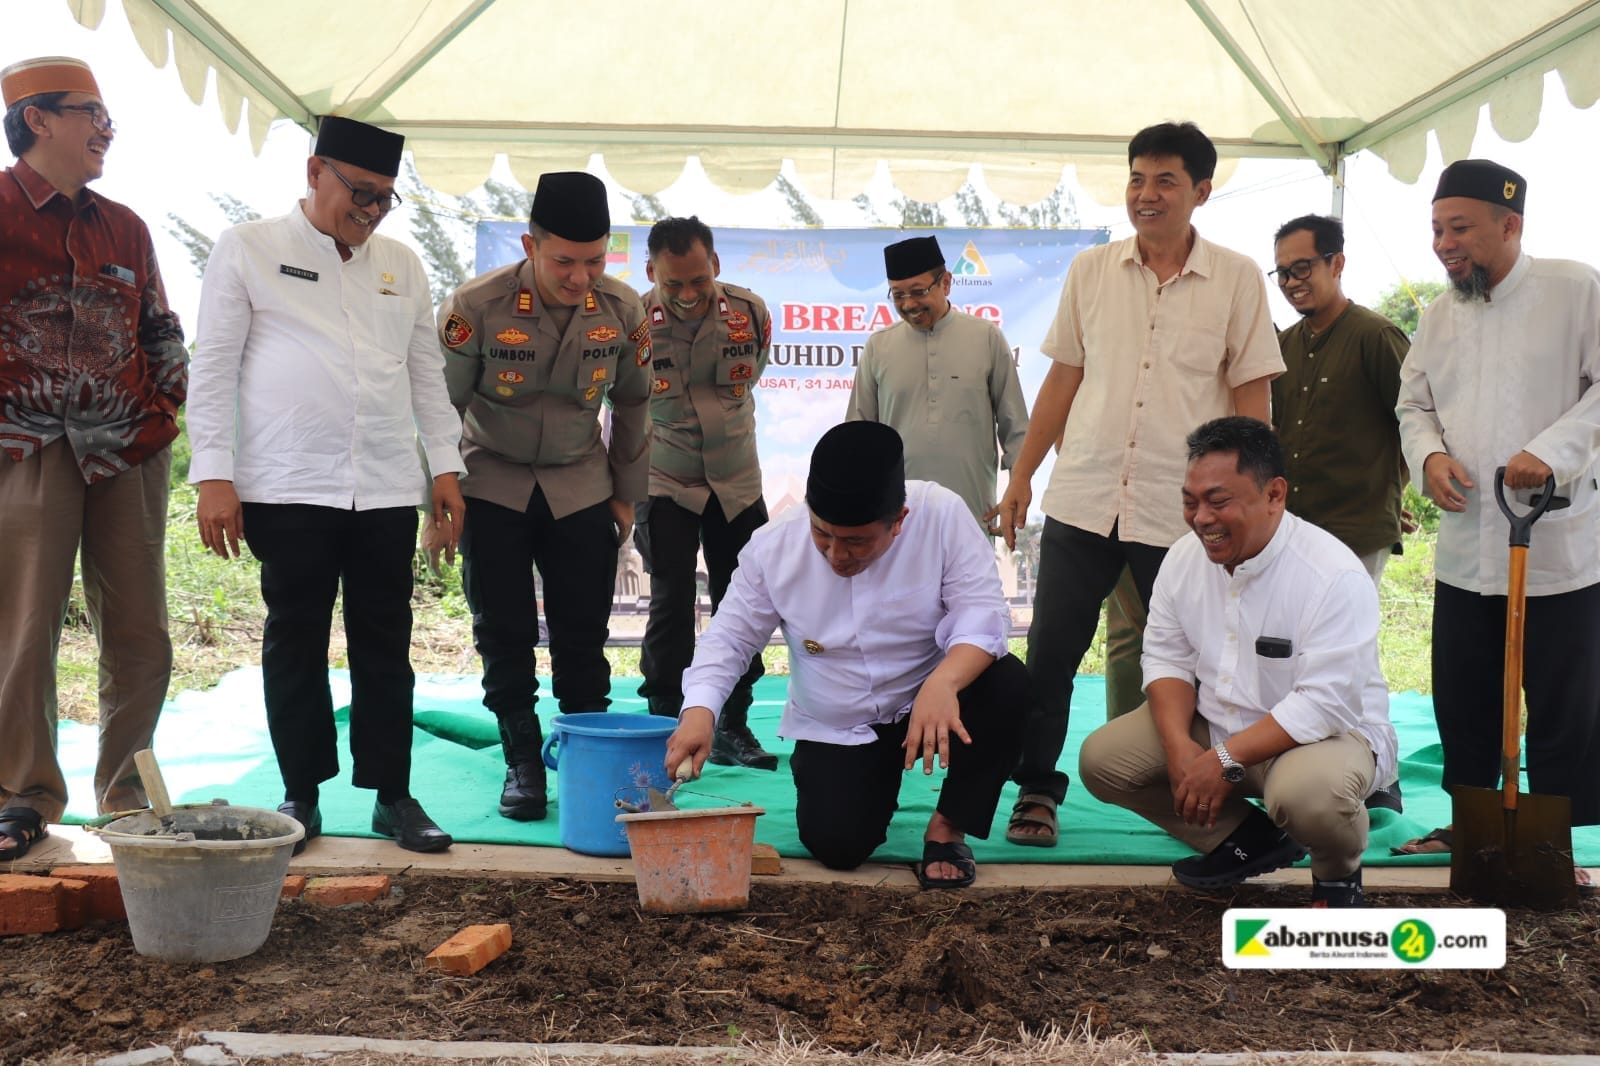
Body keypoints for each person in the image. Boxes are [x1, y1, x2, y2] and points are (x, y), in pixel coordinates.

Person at [989, 121, 1283, 848]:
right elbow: (1063, 378)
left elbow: (1252, 394)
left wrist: (1256, 498)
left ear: (1201, 192)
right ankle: (1035, 791)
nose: (1146, 195)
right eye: (1136, 180)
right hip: (1084, 497)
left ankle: (1224, 788)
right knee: (1051, 651)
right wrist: (1022, 474)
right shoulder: (1092, 271)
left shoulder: (1238, 277)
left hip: (1184, 513)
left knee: (1207, 658)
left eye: (1165, 181)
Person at [188, 116, 463, 854]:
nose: (371, 212)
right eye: (360, 193)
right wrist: (213, 474)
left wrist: (444, 465)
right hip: (287, 481)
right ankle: (300, 794)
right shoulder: (248, 248)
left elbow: (425, 375)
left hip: (380, 485)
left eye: (385, 199)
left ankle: (393, 796)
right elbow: (212, 367)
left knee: (387, 640)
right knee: (296, 638)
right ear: (315, 174)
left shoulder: (401, 264)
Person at [664, 421, 1028, 889]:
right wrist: (700, 711)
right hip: (840, 720)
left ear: (899, 520)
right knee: (838, 845)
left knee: (1007, 684)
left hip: (933, 700)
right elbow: (730, 638)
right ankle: (866, 783)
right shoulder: (774, 547)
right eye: (823, 534)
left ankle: (947, 826)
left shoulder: (941, 516)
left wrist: (944, 683)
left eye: (856, 542)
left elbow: (984, 616)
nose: (836, 556)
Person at [1079, 417, 1397, 908]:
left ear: (1275, 495)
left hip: (1320, 740)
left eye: (1219, 501)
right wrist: (1179, 747)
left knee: (1309, 797)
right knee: (1103, 762)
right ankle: (1246, 839)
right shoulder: (1184, 559)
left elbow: (1324, 705)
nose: (1201, 518)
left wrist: (1223, 760)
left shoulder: (1332, 575)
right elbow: (1166, 657)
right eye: (1190, 501)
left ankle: (1337, 875)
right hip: (1217, 726)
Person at [1394, 159, 1600, 894]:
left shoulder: (1574, 289)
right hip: (1465, 547)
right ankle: (1471, 828)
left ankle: (1559, 846)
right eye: (1437, 231)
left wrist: (1552, 453)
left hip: (1557, 547)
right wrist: (1430, 456)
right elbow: (1412, 403)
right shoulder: (1443, 312)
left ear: (1511, 225)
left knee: (1562, 702)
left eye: (1461, 230)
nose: (1445, 245)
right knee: (1465, 698)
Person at [0, 57, 187, 859]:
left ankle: (127, 793)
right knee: (24, 629)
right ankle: (22, 795)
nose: (107, 129)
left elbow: (162, 330)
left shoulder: (127, 226)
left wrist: (162, 414)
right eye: (91, 113)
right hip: (27, 448)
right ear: (38, 120)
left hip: (127, 450)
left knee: (142, 631)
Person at [437, 171, 652, 821]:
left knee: (582, 636)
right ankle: (523, 761)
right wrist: (439, 495)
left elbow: (635, 404)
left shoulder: (623, 309)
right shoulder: (477, 305)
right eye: (565, 261)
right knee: (501, 632)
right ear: (531, 246)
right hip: (491, 482)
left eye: (595, 260)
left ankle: (586, 761)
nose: (581, 276)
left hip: (580, 484)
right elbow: (441, 405)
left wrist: (624, 496)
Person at [1270, 212, 1411, 815]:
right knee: (1296, 654)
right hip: (1291, 532)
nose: (1292, 282)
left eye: (1303, 268)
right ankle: (1307, 768)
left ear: (1337, 263)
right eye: (1282, 273)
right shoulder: (1281, 345)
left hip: (1354, 527)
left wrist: (1395, 490)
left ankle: (1379, 771)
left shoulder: (1376, 336)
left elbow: (1419, 424)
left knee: (1355, 658)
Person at [634, 216, 777, 769]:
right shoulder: (633, 321)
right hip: (663, 477)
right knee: (670, 600)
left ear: (715, 265)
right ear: (652, 273)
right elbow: (623, 403)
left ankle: (732, 725)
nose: (689, 295)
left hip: (736, 481)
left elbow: (751, 379)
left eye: (699, 280)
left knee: (743, 602)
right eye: (674, 285)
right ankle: (664, 721)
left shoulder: (749, 312)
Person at [848, 234, 1028, 530]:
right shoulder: (879, 347)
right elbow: (859, 433)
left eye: (918, 291)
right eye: (897, 294)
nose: (908, 304)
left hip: (971, 509)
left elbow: (1016, 427)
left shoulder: (986, 338)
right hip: (896, 516)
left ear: (946, 283)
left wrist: (1019, 485)